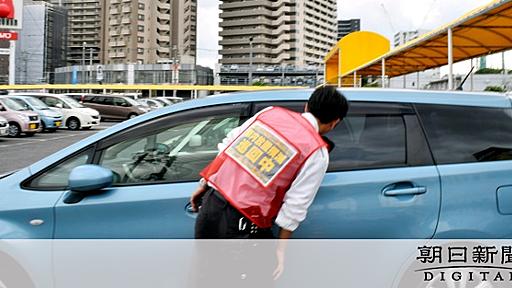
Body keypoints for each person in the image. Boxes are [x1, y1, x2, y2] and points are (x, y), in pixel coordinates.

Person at [190, 86, 349, 240]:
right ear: (334, 122)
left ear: (306, 106)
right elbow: (295, 205)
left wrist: (204, 185)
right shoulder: (316, 151)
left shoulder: (269, 113)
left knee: (206, 266)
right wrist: (281, 249)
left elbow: (229, 147)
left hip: (211, 206)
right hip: (243, 224)